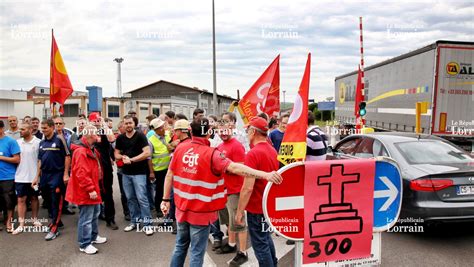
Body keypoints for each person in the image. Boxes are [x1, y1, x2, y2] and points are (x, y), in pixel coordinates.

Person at [161, 118, 283, 267]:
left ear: (191, 132)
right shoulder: (212, 153)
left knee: (180, 247)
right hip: (201, 213)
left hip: (181, 210)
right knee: (196, 252)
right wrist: (265, 174)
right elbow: (236, 168)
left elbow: (169, 175)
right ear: (210, 133)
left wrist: (165, 199)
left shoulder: (180, 149)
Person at [236, 117, 280, 267]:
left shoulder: (253, 154)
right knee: (266, 239)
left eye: (248, 130)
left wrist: (240, 211)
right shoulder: (272, 150)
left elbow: (247, 188)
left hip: (256, 207)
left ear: (254, 132)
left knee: (260, 246)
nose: (247, 133)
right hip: (267, 206)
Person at [66, 125, 107, 255]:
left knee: (94, 213)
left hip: (92, 187)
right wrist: (90, 189)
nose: (98, 137)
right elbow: (81, 173)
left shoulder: (88, 148)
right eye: (96, 134)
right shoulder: (81, 151)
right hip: (86, 190)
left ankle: (93, 237)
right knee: (86, 217)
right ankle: (84, 243)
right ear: (90, 135)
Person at [215, 114, 249, 265]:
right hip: (224, 189)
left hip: (235, 190)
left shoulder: (236, 146)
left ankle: (243, 252)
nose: (222, 133)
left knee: (238, 220)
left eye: (225, 130)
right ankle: (231, 244)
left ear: (231, 128)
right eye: (219, 131)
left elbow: (241, 169)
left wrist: (226, 169)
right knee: (229, 222)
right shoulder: (220, 146)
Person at [32, 119, 71, 241]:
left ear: (51, 127)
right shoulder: (42, 143)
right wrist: (36, 177)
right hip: (45, 176)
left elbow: (67, 157)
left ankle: (54, 228)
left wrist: (65, 174)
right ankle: (57, 220)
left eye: (45, 128)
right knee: (47, 199)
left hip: (57, 175)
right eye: (42, 128)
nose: (42, 130)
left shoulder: (59, 140)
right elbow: (39, 161)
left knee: (56, 201)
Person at [114, 115, 153, 236]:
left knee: (142, 198)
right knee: (130, 198)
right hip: (126, 173)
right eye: (126, 123)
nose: (128, 125)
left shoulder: (140, 136)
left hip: (139, 173)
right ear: (123, 125)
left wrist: (131, 160)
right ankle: (134, 221)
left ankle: (147, 224)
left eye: (130, 123)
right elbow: (116, 154)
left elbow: (147, 153)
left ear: (134, 123)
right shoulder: (120, 138)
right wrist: (123, 157)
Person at [89, 112, 118, 230]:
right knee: (92, 194)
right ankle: (92, 219)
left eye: (98, 120)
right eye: (94, 121)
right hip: (92, 169)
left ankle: (110, 219)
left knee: (108, 194)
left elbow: (112, 139)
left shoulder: (105, 132)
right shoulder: (87, 133)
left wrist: (104, 125)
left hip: (105, 168)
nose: (96, 123)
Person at [12, 122, 42, 235]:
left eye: (23, 129)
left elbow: (40, 161)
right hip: (20, 177)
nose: (21, 131)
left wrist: (37, 175)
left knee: (34, 198)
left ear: (30, 130)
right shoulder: (17, 143)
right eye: (20, 129)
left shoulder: (38, 142)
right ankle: (21, 224)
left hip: (34, 177)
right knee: (21, 200)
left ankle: (34, 219)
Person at [147, 118, 172, 219]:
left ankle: (168, 207)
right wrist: (151, 172)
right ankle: (158, 209)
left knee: (169, 190)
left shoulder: (167, 135)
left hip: (169, 168)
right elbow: (149, 158)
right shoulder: (151, 140)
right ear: (156, 129)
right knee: (160, 190)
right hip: (158, 170)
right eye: (160, 127)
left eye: (163, 126)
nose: (163, 128)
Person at [0, 120, 21, 233]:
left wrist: (2, 158)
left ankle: (9, 221)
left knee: (9, 201)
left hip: (7, 177)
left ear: (2, 128)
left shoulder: (11, 141)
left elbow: (17, 159)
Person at [115, 120, 130, 221]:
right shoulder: (118, 139)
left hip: (132, 168)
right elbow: (115, 154)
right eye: (122, 126)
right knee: (124, 193)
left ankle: (133, 211)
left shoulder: (133, 137)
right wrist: (123, 156)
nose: (124, 128)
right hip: (121, 169)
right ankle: (127, 212)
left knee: (133, 193)